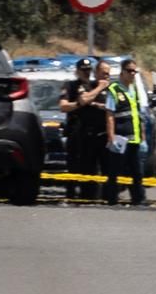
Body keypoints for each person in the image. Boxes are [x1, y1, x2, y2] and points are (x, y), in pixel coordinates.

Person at [57, 59, 110, 197]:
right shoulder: (70, 85)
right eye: (83, 70)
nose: (86, 73)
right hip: (75, 131)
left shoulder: (94, 85)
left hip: (92, 134)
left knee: (91, 168)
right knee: (73, 167)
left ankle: (91, 195)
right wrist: (80, 104)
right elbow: (64, 106)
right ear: (77, 71)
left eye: (88, 70)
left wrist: (93, 102)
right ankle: (71, 195)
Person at [103, 58, 149, 206]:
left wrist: (142, 137)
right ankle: (111, 199)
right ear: (122, 72)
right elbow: (110, 115)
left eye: (134, 71)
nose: (132, 74)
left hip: (134, 139)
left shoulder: (133, 89)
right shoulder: (114, 89)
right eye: (129, 71)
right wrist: (111, 138)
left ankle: (139, 200)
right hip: (120, 139)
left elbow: (137, 115)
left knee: (137, 172)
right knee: (115, 172)